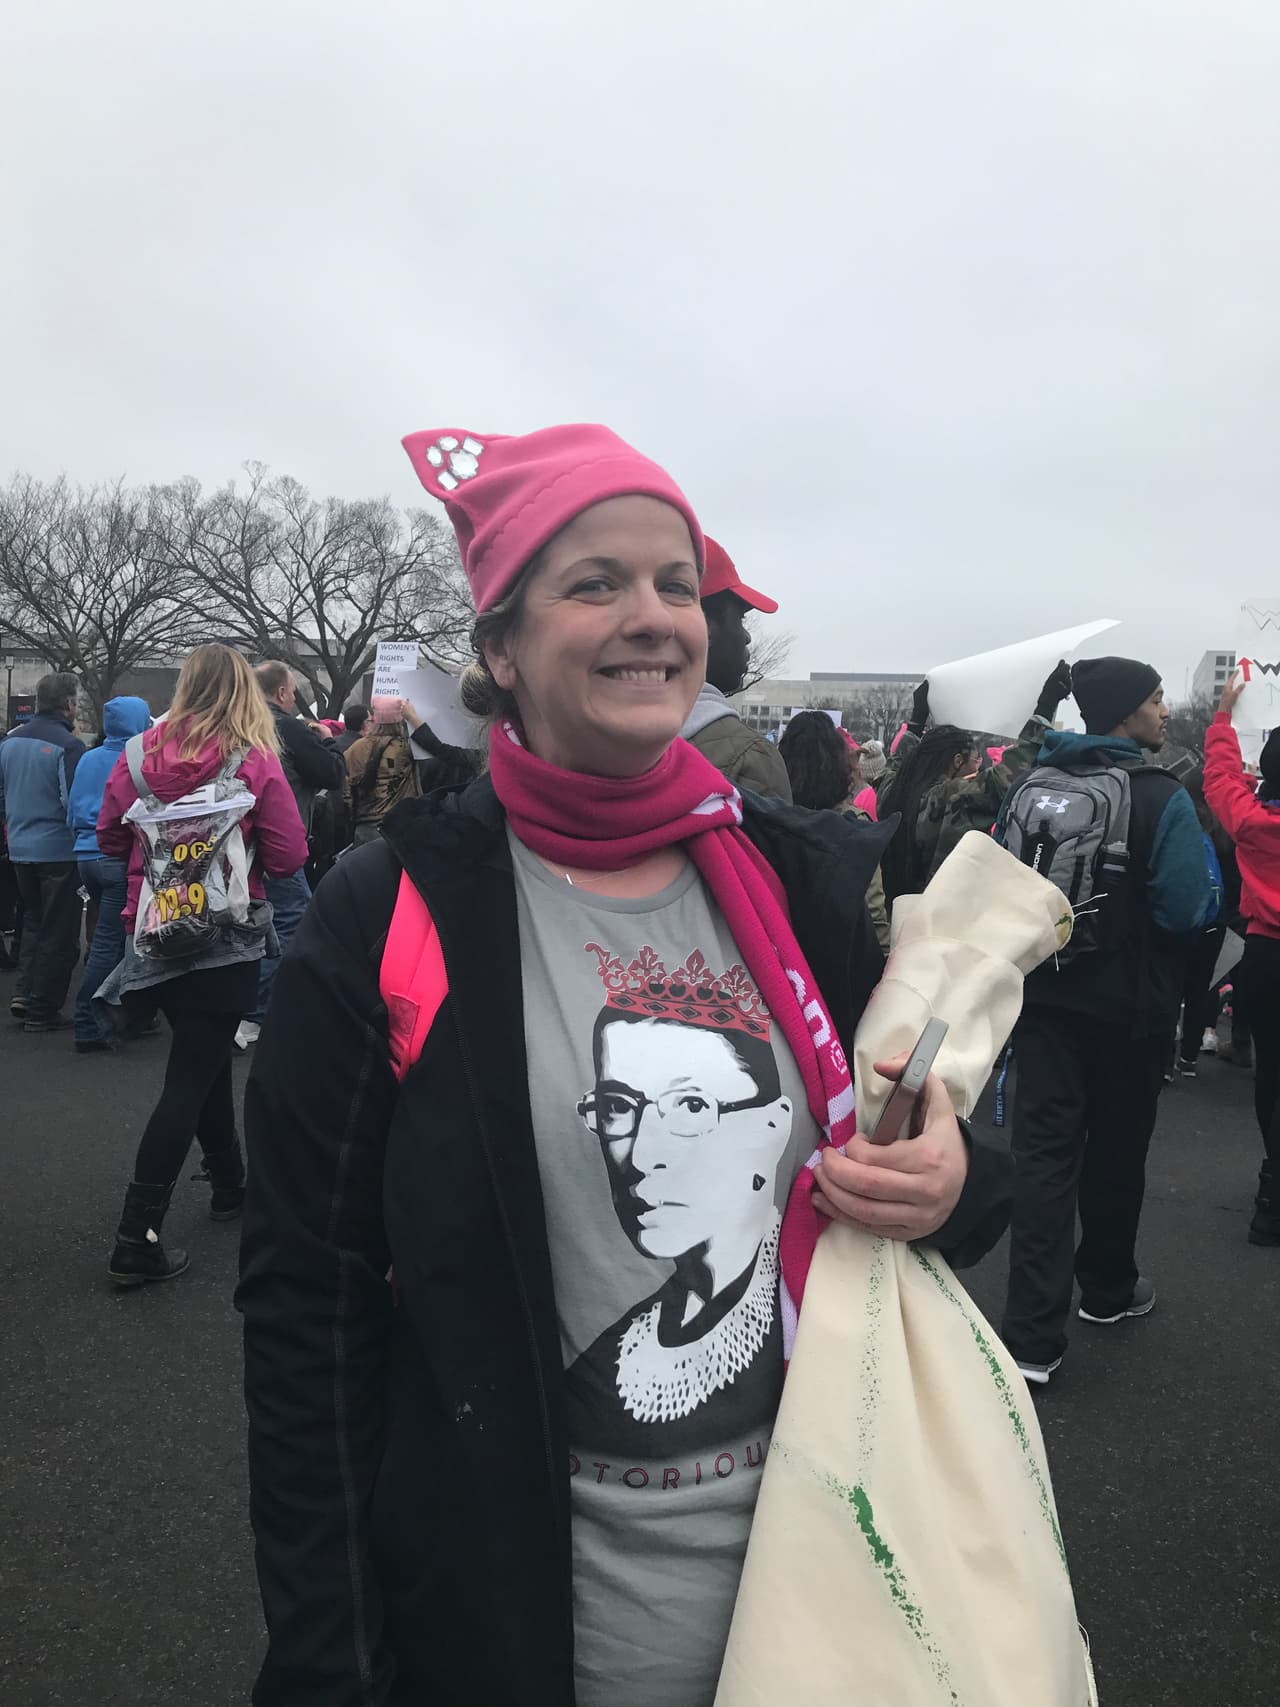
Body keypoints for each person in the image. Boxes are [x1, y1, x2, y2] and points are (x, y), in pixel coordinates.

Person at [236, 422, 1012, 1707]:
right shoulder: (387, 914)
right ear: (499, 646)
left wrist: (951, 1178)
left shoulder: (808, 876)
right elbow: (305, 1319)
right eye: (593, 583)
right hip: (529, 1610)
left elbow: (949, 1170)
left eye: (672, 583)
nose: (651, 617)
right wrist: (332, 1656)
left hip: (830, 1579)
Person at [1000, 655, 1211, 1382]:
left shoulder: (1031, 782)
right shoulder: (1162, 795)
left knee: (1045, 1159)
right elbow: (1187, 908)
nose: (1161, 711)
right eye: (1154, 700)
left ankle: (1029, 1337)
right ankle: (1108, 1290)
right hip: (1132, 1014)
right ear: (1125, 711)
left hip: (1044, 1002)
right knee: (1117, 1157)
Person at [96, 644, 309, 1284]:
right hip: (225, 932)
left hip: (155, 931)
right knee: (191, 1075)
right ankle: (137, 1235)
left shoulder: (136, 756)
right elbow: (291, 853)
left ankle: (229, 1183)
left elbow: (109, 835)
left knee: (203, 1057)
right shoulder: (253, 759)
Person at [877, 663, 1072, 908]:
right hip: (938, 917)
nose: (977, 766)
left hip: (892, 911)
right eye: (974, 760)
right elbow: (1005, 778)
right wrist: (1045, 708)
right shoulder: (950, 797)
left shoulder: (890, 794)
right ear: (957, 760)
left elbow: (893, 767)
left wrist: (916, 722)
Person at [1204, 680, 1280, 1245]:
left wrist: (1224, 717)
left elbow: (1221, 779)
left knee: (1271, 1074)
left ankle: (1270, 1192)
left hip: (1265, 955)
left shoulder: (1255, 824)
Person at [236, 662, 344, 1049]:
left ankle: (242, 1007)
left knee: (246, 928)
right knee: (291, 924)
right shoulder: (287, 728)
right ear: (283, 693)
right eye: (293, 693)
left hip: (233, 846)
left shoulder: (234, 724)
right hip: (277, 845)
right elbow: (332, 773)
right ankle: (254, 1014)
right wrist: (327, 739)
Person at [66, 695, 153, 1053]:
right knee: (112, 942)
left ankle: (119, 1015)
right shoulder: (137, 760)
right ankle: (90, 1023)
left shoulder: (88, 757)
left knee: (109, 939)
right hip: (117, 856)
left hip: (85, 855)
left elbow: (71, 807)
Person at [0, 672, 86, 1031]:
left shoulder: (9, 742)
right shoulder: (68, 746)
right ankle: (43, 1008)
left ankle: (25, 992)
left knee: (33, 923)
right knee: (61, 931)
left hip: (20, 847)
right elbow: (73, 803)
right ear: (68, 703)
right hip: (58, 850)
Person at [680, 537, 792, 801]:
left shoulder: (588, 737)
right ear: (704, 625)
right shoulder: (750, 757)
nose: (747, 637)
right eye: (740, 618)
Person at [778, 710, 891, 950]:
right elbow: (873, 913)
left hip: (783, 955)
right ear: (840, 764)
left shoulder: (771, 818)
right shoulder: (854, 825)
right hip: (839, 961)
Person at [1169, 770, 1227, 1079]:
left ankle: (1164, 1059)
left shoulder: (1180, 821)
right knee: (1200, 989)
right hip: (1214, 923)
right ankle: (1189, 1058)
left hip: (1181, 917)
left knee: (1171, 985)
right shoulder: (1223, 829)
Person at [342, 695, 422, 844]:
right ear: (400, 719)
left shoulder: (354, 749)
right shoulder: (407, 748)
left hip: (363, 828)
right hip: (398, 825)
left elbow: (346, 791)